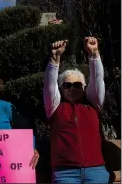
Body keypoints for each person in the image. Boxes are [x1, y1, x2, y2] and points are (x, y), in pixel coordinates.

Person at [43, 37, 109, 183]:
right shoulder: (54, 108)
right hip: (65, 173)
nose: (72, 88)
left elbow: (98, 80)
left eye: (77, 85)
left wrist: (94, 54)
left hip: (96, 170)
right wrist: (54, 59)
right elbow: (49, 85)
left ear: (84, 88)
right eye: (67, 85)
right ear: (60, 88)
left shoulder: (93, 104)